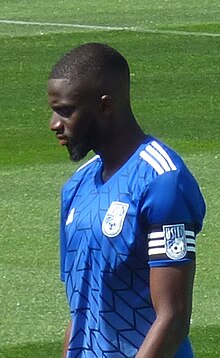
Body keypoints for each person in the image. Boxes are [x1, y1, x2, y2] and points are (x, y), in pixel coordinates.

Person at [48, 43, 206, 358]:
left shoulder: (162, 181)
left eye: (65, 111)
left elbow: (172, 317)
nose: (54, 123)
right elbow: (82, 309)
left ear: (105, 106)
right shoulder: (77, 186)